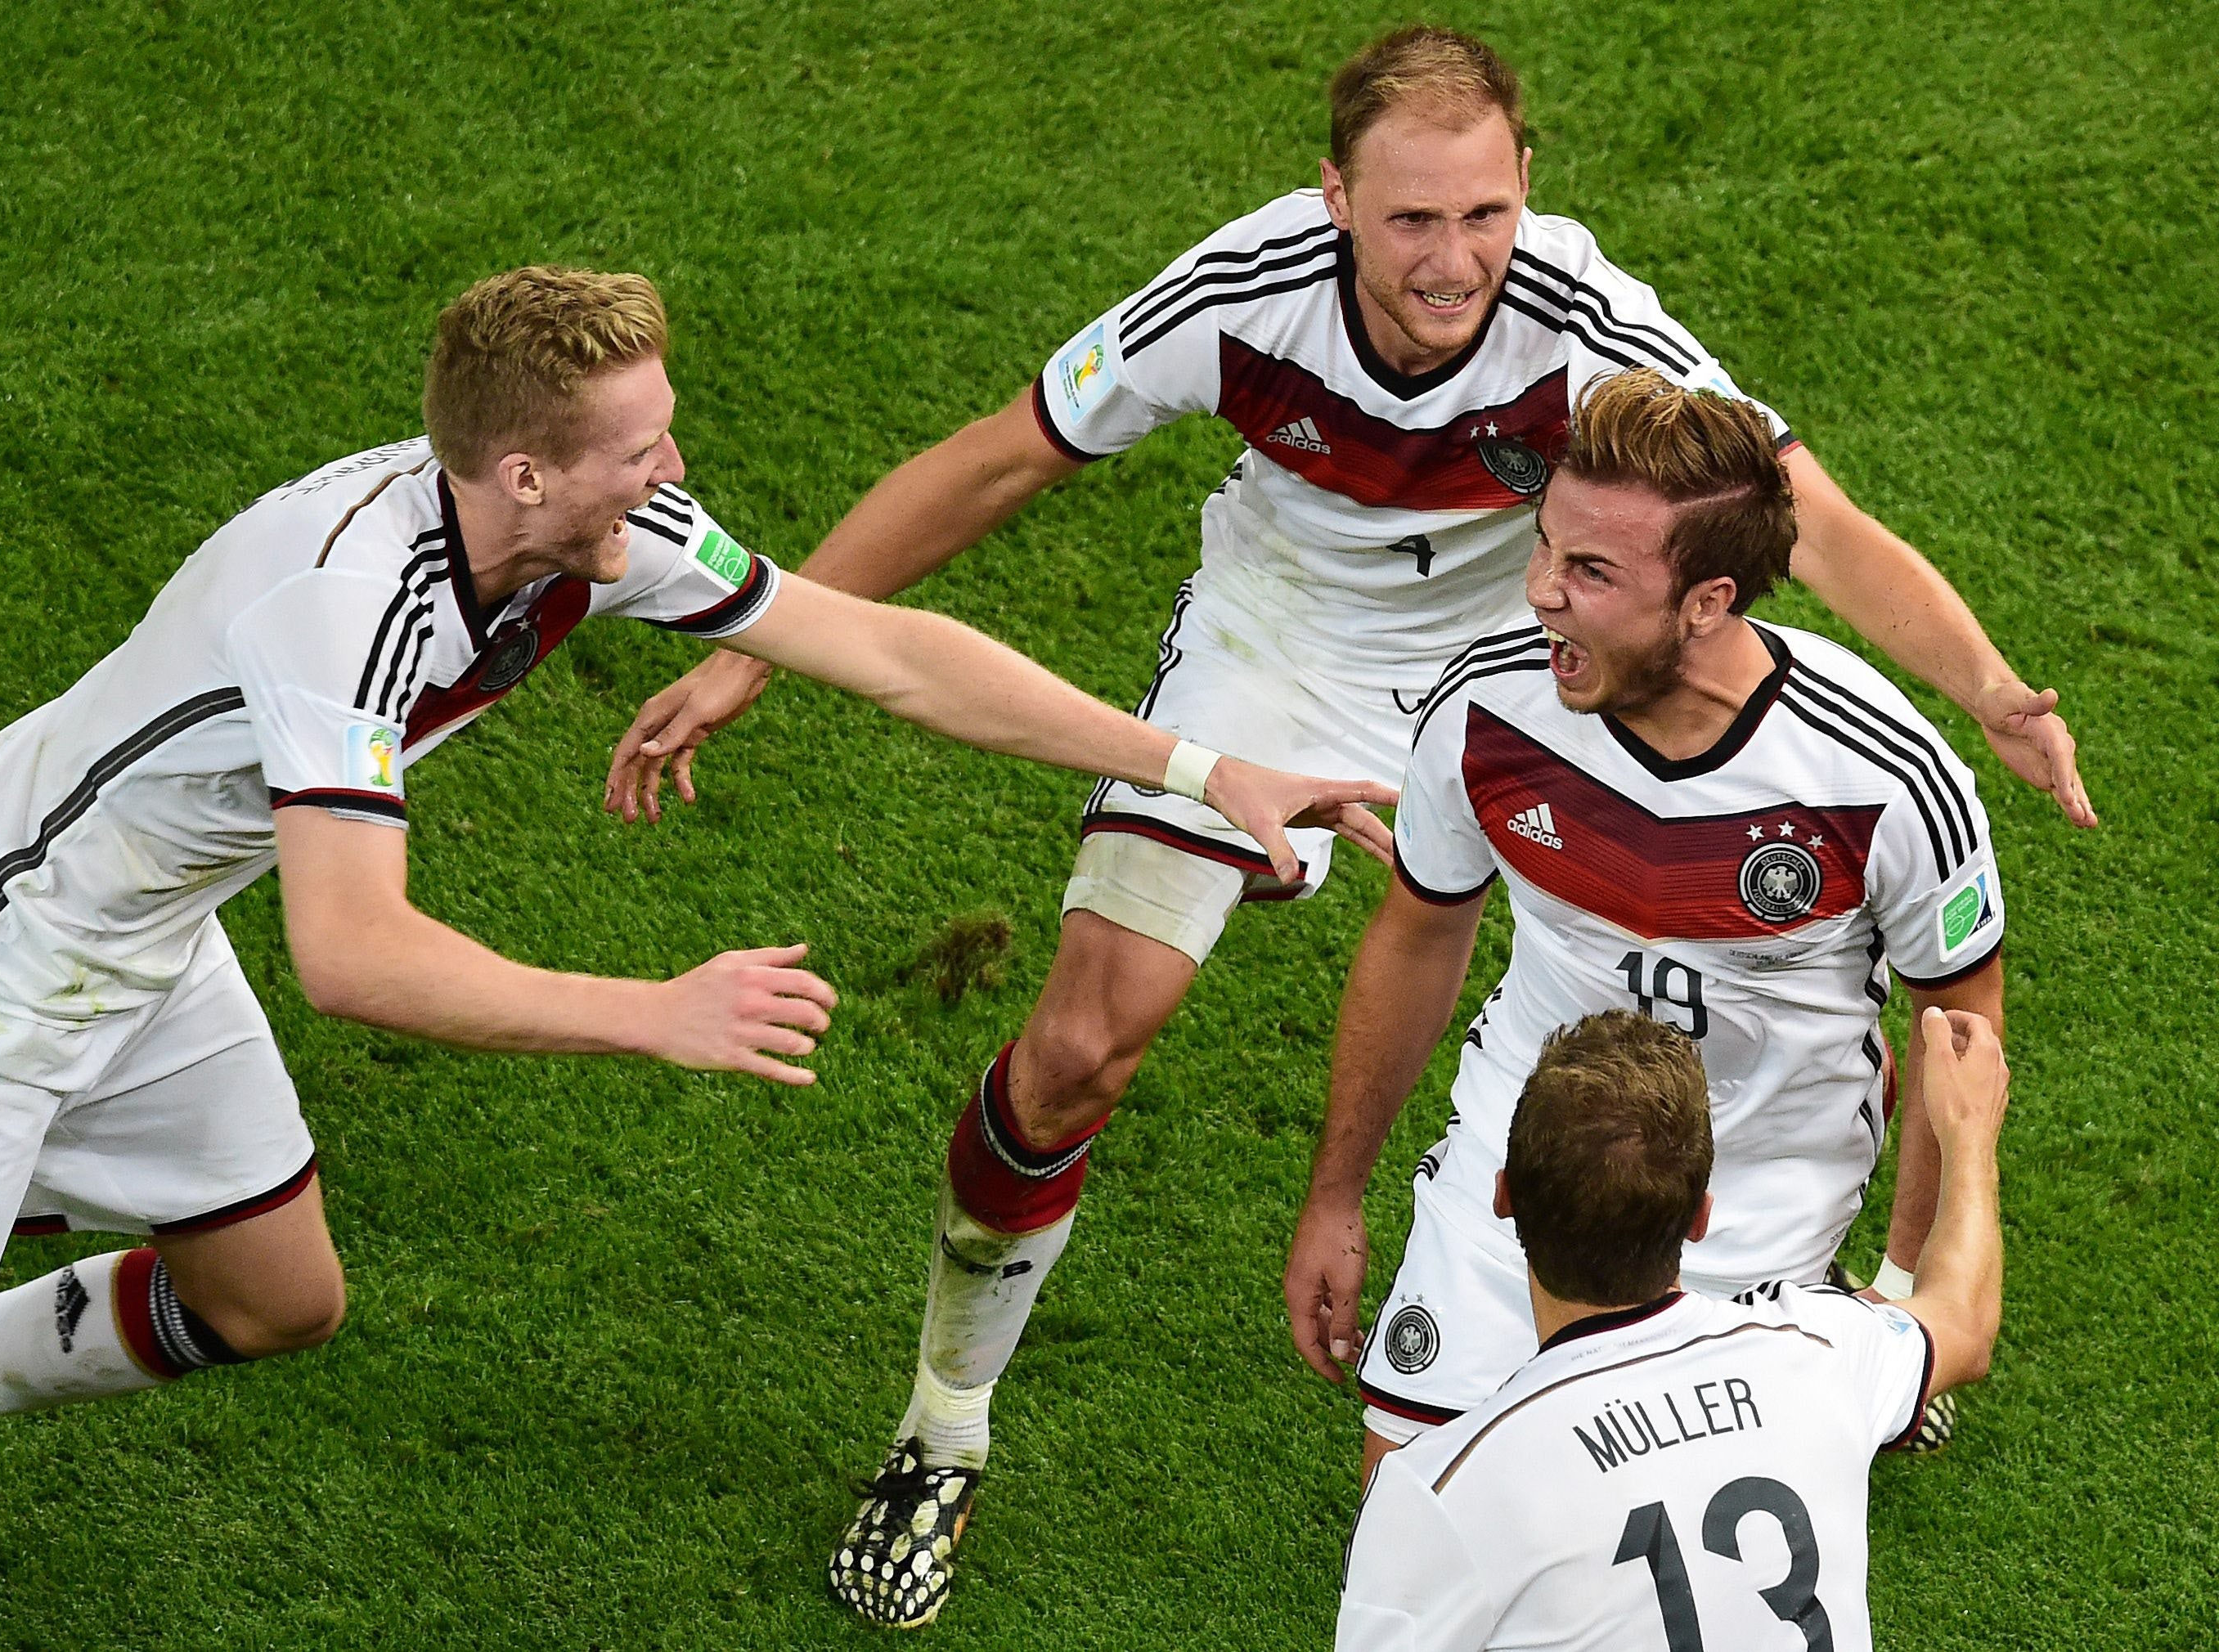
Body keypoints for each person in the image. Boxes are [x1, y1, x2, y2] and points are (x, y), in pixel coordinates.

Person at [606, 26, 2083, 1627]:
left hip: (1529, 651)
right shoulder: (1239, 294)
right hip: (1281, 648)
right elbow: (999, 458)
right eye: (1406, 221)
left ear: (1526, 185)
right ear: (1331, 199)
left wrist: (1990, 686)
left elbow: (1807, 519)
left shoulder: (1587, 321)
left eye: (1482, 215)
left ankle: (1722, 1329)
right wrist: (765, 637)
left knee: (1653, 963)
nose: (1451, 260)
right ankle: (941, 1424)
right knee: (1080, 1042)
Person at [0, 266, 1391, 1460]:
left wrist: (1201, 769)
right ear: (526, 471)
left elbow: (885, 655)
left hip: (139, 945)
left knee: (272, 1298)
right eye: (640, 448)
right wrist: (652, 1013)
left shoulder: (586, 533)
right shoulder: (340, 611)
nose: (672, 468)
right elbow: (352, 958)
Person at [1286, 370, 2006, 1484]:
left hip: (1759, 1201)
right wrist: (1335, 1196)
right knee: (1411, 1513)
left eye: (1590, 572)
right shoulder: (1486, 712)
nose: (1539, 593)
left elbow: (1960, 1043)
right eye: (1543, 547)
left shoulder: (1881, 776)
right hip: (1521, 1170)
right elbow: (1419, 935)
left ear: (1708, 600)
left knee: (1659, 1560)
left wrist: (1903, 1292)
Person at [1335, 1003, 2007, 1650]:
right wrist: (1968, 1134)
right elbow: (1964, 1319)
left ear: (1504, 1197)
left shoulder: (1437, 1492)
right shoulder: (1821, 1351)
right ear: (1700, 1218)